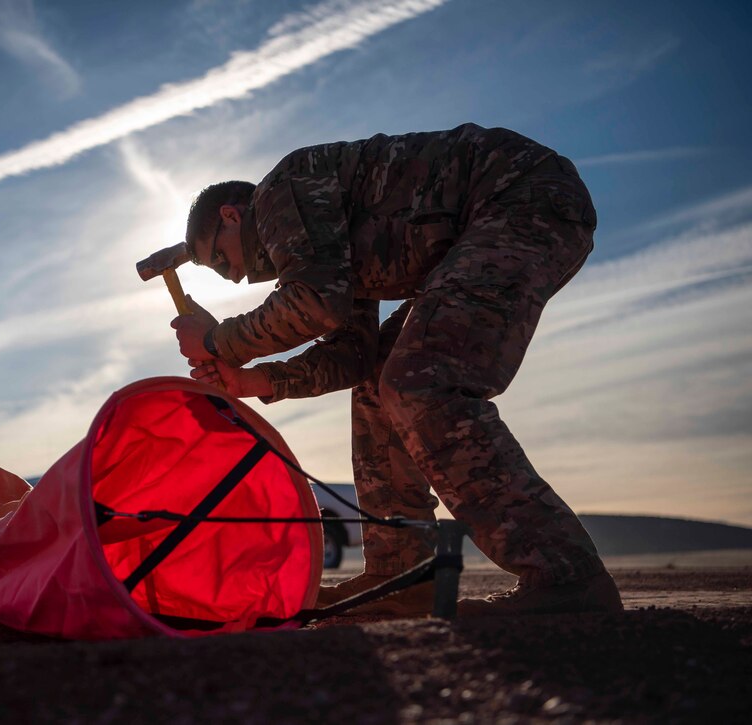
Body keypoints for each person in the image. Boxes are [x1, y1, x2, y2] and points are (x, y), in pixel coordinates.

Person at [171, 123, 623, 617]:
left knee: (421, 381)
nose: (232, 275)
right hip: (490, 224)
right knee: (378, 384)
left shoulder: (284, 189)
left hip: (518, 196)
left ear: (233, 215)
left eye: (220, 259)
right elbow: (352, 355)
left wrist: (218, 340)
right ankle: (403, 578)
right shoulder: (320, 244)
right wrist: (253, 381)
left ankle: (567, 577)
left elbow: (316, 302)